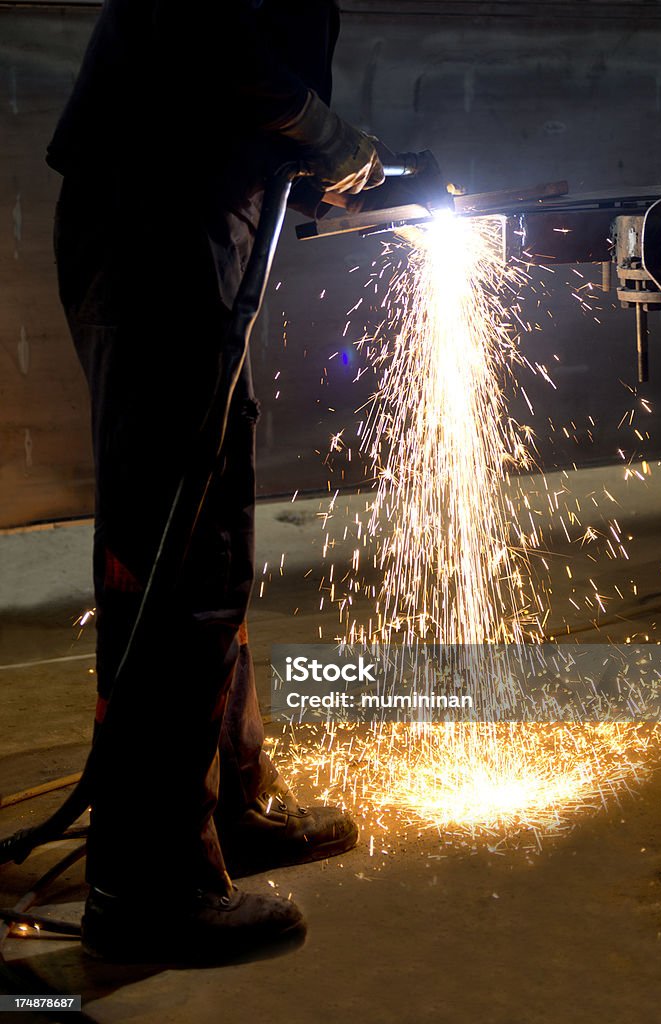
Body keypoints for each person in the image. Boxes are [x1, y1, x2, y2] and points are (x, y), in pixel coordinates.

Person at [47, 0, 384, 963]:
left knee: (211, 528)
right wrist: (318, 128)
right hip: (155, 215)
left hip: (190, 207)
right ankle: (149, 883)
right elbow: (196, 27)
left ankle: (227, 807)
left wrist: (309, 159)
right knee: (177, 550)